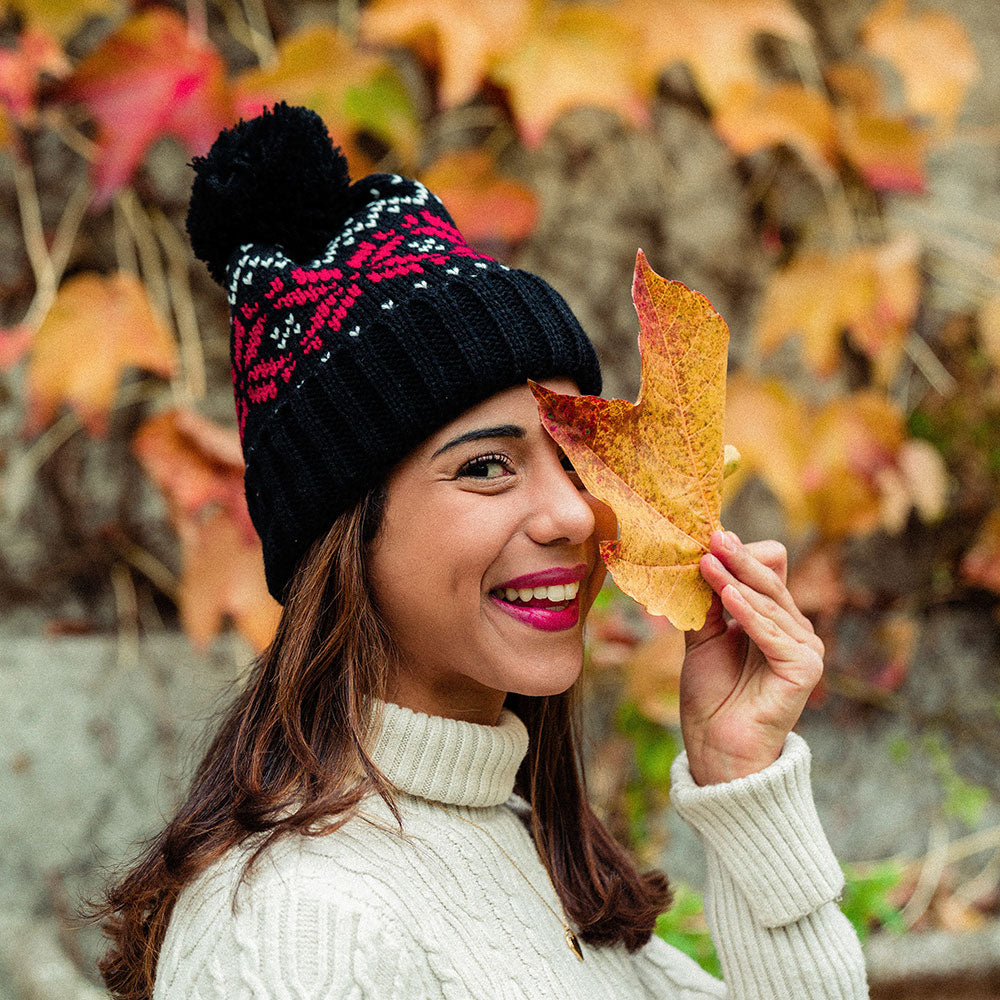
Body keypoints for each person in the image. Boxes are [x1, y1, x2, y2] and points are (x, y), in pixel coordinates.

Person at [96, 103, 869, 999]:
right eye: (488, 466)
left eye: (577, 457)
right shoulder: (299, 933)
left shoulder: (538, 860)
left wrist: (745, 775)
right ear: (343, 528)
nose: (573, 516)